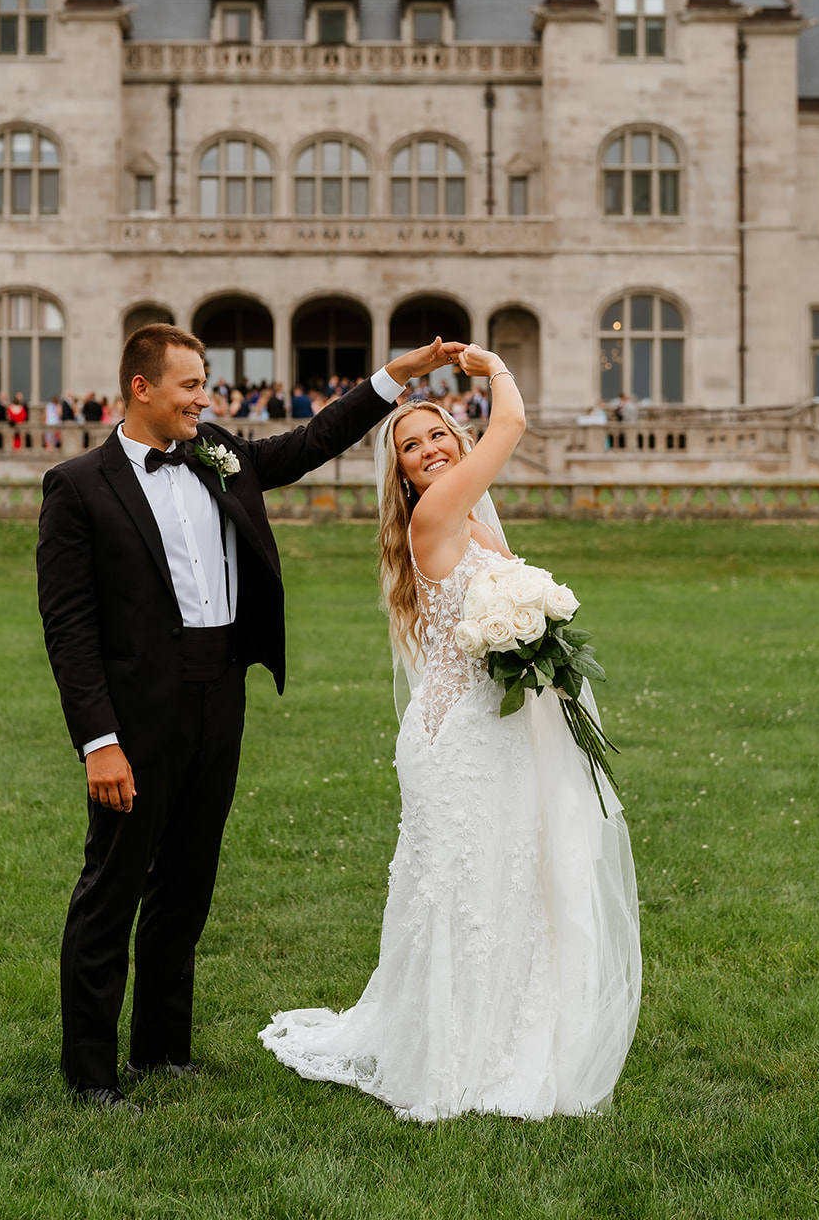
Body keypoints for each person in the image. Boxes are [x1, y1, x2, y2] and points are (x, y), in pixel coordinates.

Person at [36, 321, 464, 1115]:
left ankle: (163, 1050)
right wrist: (100, 741)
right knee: (113, 887)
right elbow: (69, 628)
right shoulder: (78, 486)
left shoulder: (217, 454)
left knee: (187, 885)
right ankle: (91, 1074)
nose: (207, 397)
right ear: (142, 389)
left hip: (219, 694)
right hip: (134, 716)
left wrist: (393, 378)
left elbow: (309, 442)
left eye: (206, 385)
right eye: (191, 385)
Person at [260, 344, 641, 1122]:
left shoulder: (467, 520)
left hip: (487, 727)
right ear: (400, 473)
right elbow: (516, 423)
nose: (430, 448)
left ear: (454, 444)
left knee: (501, 882)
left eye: (438, 436)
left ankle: (502, 1029)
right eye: (411, 445)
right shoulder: (435, 515)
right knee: (461, 888)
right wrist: (493, 365)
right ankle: (451, 1051)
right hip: (458, 738)